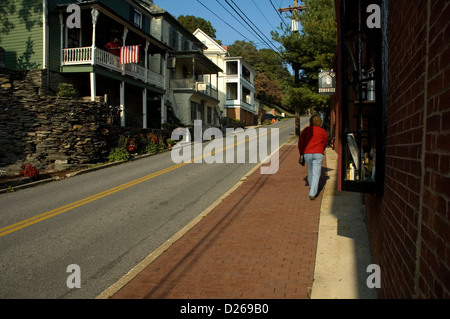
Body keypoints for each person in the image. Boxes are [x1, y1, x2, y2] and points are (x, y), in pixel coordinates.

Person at [298, 114, 329, 200]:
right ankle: (312, 192)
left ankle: (312, 188)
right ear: (320, 122)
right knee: (316, 173)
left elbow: (301, 142)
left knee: (310, 172)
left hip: (307, 153)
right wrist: (322, 149)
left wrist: (301, 152)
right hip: (318, 153)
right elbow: (325, 142)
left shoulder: (306, 130)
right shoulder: (323, 131)